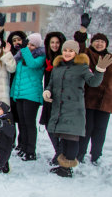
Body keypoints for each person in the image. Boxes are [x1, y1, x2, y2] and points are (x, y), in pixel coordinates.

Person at [43, 40, 111, 177]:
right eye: (65, 50)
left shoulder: (82, 67)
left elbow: (94, 82)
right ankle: (62, 165)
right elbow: (51, 84)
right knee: (63, 138)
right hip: (59, 108)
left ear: (76, 52)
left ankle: (67, 169)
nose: (67, 53)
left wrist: (99, 70)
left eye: (71, 51)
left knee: (72, 138)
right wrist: (47, 91)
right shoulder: (58, 67)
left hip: (74, 109)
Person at [74, 14, 112, 164]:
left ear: (106, 44)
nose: (99, 44)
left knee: (100, 130)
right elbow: (80, 44)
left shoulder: (110, 58)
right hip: (89, 99)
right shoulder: (87, 54)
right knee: (86, 128)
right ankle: (80, 153)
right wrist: (83, 29)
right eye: (97, 41)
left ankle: (96, 155)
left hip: (106, 101)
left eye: (102, 42)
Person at [10, 33, 45, 161]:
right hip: (19, 95)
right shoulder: (20, 57)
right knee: (22, 123)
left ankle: (31, 151)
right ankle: (23, 147)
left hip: (31, 95)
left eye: (32, 45)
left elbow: (32, 64)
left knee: (29, 124)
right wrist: (13, 94)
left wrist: (24, 49)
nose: (30, 47)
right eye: (28, 44)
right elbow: (17, 77)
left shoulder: (40, 57)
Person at [39, 31, 66, 164]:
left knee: (60, 127)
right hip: (48, 96)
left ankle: (61, 154)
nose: (55, 45)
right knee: (49, 125)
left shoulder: (65, 58)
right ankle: (58, 151)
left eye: (57, 42)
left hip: (61, 98)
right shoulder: (48, 58)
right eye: (52, 43)